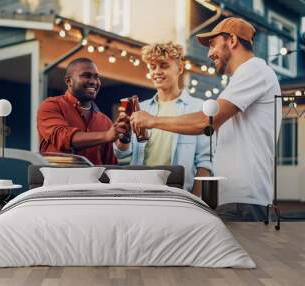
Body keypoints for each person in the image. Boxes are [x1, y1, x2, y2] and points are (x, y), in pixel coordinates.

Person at [130, 17, 282, 220]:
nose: (209, 53)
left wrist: (152, 121)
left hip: (243, 200)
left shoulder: (254, 70)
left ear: (232, 40)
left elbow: (206, 121)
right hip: (234, 199)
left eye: (212, 44)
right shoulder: (241, 79)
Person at [114, 42, 213, 195]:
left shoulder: (198, 109)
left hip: (179, 195)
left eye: (164, 66)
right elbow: (123, 158)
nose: (157, 72)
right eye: (153, 67)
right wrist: (124, 138)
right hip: (139, 192)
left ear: (179, 69)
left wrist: (194, 200)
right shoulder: (141, 109)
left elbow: (205, 163)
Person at [37, 57, 125, 165]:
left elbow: (110, 165)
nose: (93, 81)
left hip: (94, 181)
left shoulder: (105, 121)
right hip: (59, 180)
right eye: (86, 75)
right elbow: (63, 138)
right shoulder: (51, 106)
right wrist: (106, 136)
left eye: (96, 77)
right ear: (68, 81)